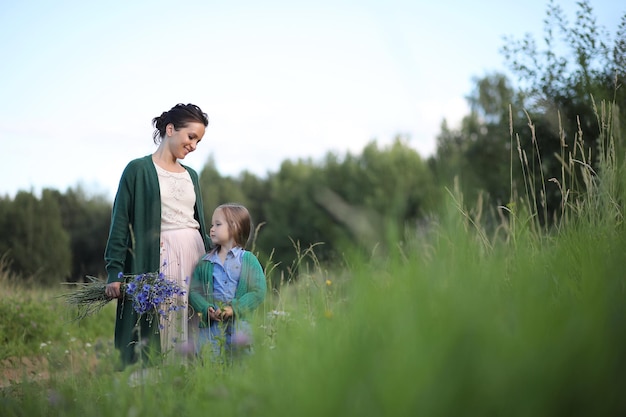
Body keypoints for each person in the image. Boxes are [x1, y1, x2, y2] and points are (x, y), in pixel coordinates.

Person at [104, 103, 212, 369]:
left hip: (195, 257)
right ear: (170, 129)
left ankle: (191, 385)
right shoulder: (137, 170)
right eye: (191, 137)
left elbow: (199, 221)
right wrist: (114, 271)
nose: (194, 145)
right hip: (160, 260)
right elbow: (120, 222)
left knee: (194, 323)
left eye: (198, 140)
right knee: (161, 324)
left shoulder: (192, 176)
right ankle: (156, 390)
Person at [189, 203, 267, 361]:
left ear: (235, 228)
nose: (211, 229)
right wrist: (205, 309)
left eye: (217, 224)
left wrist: (235, 308)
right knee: (210, 363)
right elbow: (194, 291)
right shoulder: (205, 262)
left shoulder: (248, 260)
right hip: (211, 328)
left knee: (241, 364)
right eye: (212, 225)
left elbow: (258, 291)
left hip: (240, 325)